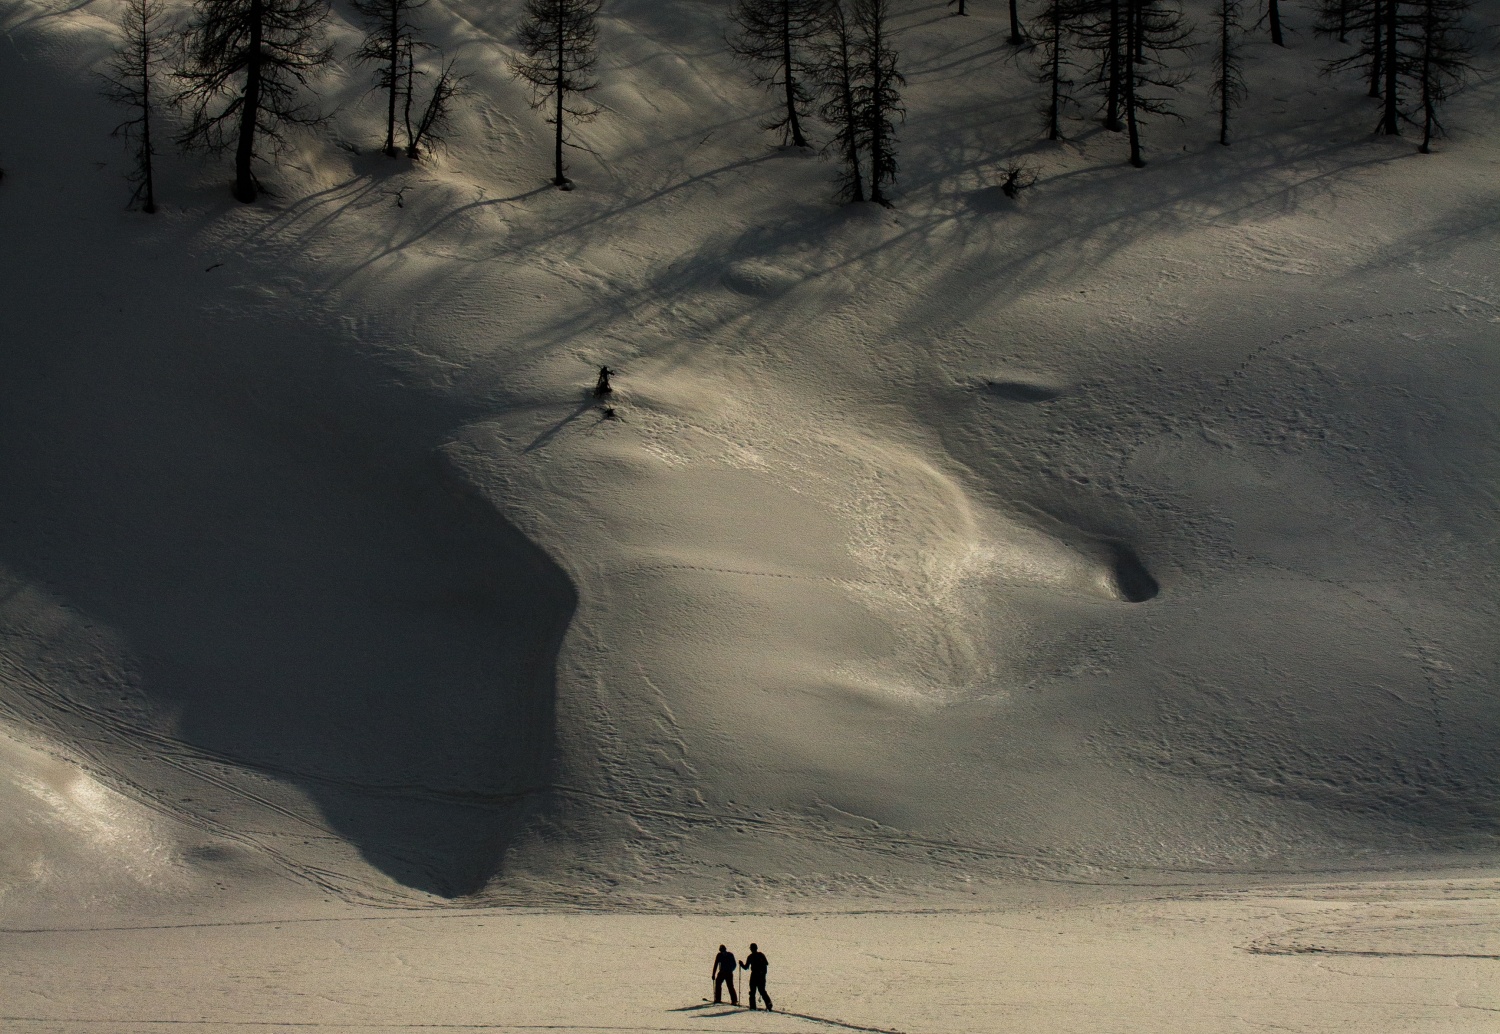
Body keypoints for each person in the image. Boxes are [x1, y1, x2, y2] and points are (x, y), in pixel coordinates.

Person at [741, 943, 772, 1011]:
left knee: (752, 992)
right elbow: (766, 963)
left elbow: (746, 967)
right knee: (762, 991)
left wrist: (741, 964)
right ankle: (768, 1004)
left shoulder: (750, 956)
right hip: (761, 976)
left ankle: (752, 1007)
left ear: (751, 949)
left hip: (754, 976)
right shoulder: (761, 955)